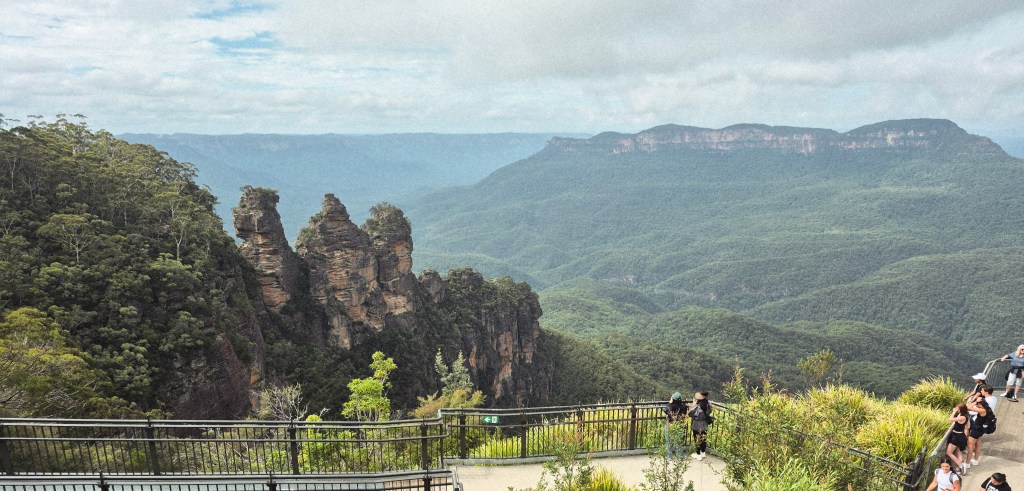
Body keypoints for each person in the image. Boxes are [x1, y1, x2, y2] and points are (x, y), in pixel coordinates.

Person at [965, 392, 993, 466]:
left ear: (980, 404)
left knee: (970, 446)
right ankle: (975, 460)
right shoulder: (987, 409)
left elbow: (968, 407)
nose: (976, 405)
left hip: (976, 430)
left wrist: (975, 401)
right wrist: (977, 401)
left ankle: (967, 463)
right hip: (981, 430)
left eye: (977, 404)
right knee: (978, 444)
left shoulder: (982, 410)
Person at [687, 390, 712, 460]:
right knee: (703, 438)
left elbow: (690, 413)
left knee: (697, 439)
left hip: (697, 424)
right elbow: (710, 411)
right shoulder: (708, 404)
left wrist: (693, 404)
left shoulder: (697, 406)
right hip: (704, 423)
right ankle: (703, 452)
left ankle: (698, 455)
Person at [663, 392, 687, 459]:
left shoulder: (669, 406)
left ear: (673, 399)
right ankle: (680, 456)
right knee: (679, 441)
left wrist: (669, 403)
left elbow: (665, 409)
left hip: (670, 424)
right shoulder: (683, 407)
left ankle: (669, 456)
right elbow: (684, 414)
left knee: (668, 441)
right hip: (679, 425)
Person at [946, 403, 969, 474]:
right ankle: (958, 469)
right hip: (961, 435)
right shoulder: (966, 416)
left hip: (956, 436)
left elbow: (950, 419)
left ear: (961, 409)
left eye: (958, 409)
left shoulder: (962, 417)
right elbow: (968, 426)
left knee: (949, 452)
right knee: (959, 453)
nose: (957, 409)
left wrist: (954, 412)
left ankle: (961, 466)